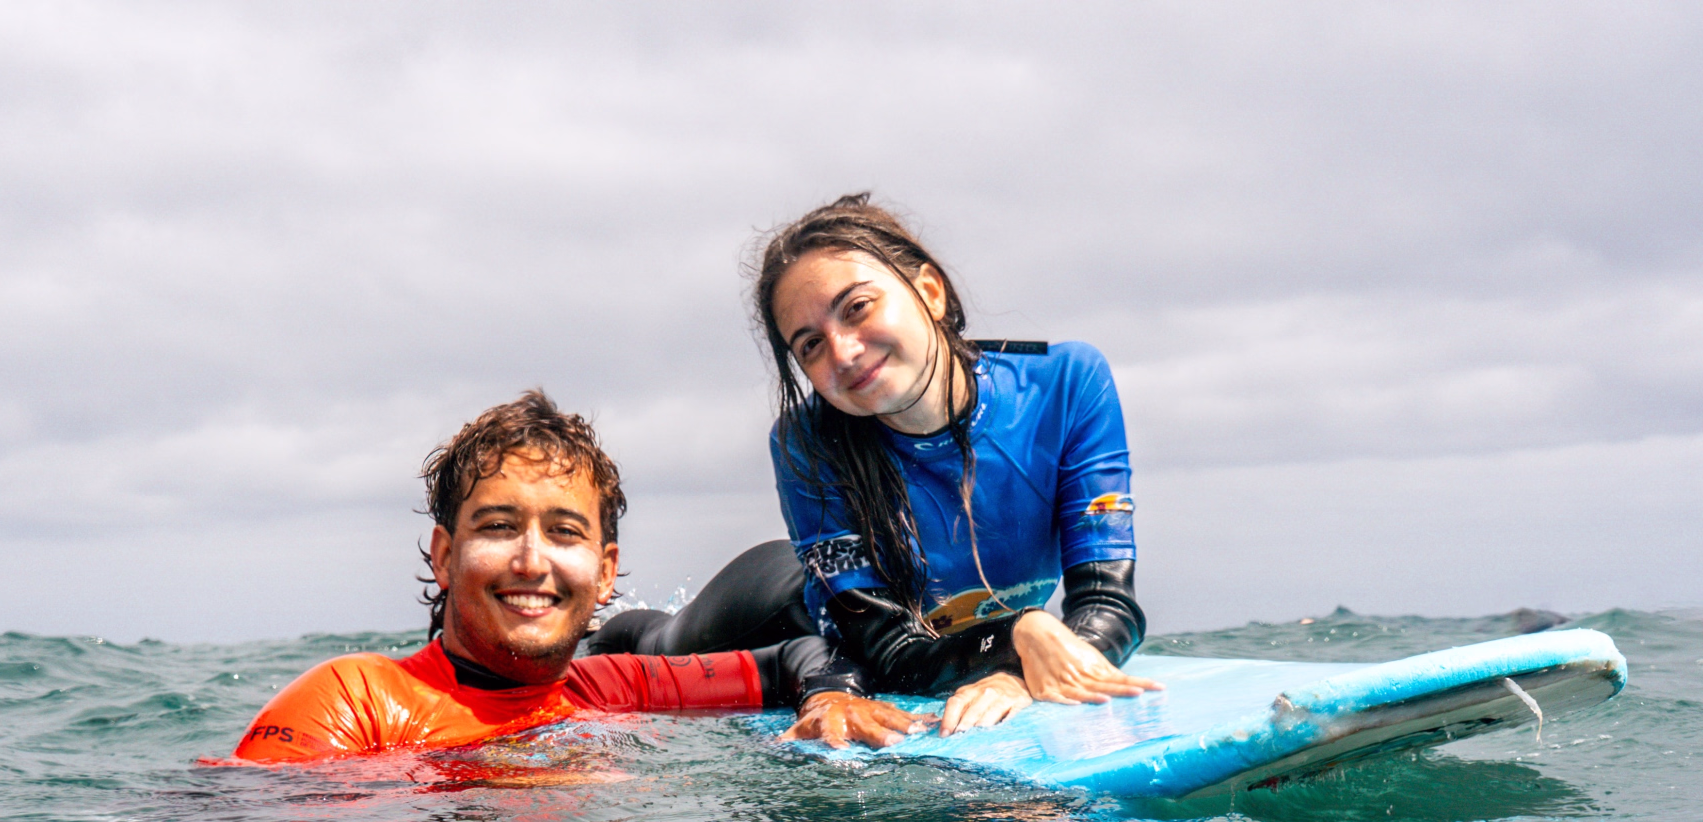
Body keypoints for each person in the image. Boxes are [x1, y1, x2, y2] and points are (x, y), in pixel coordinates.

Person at [593, 193, 1159, 736]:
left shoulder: (1066, 384)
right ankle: (601, 633)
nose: (843, 352)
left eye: (857, 308)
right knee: (654, 645)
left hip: (935, 634)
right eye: (810, 345)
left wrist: (1018, 675)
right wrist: (1019, 638)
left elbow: (1108, 602)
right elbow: (888, 655)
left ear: (930, 292)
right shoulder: (807, 440)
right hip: (786, 613)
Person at [231, 391, 920, 763]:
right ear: (444, 555)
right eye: (499, 526)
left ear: (606, 571)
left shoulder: (618, 685)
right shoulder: (357, 700)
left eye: (564, 532)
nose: (532, 561)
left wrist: (831, 698)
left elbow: (798, 658)